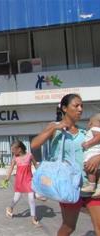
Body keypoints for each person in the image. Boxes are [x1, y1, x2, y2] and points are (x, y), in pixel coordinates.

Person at [31, 93, 100, 236]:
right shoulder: (54, 128)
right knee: (69, 227)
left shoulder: (84, 132)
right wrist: (55, 128)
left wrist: (98, 157)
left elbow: (95, 149)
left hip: (90, 186)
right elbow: (34, 144)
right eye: (76, 106)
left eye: (82, 106)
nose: (80, 109)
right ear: (64, 108)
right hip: (68, 186)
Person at [4, 140, 41, 226]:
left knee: (31, 198)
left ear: (19, 149)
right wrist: (7, 178)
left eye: (13, 149)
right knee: (16, 198)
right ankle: (10, 208)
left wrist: (41, 175)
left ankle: (33, 218)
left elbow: (36, 165)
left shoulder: (29, 155)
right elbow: (11, 168)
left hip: (29, 180)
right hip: (19, 180)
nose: (12, 151)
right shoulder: (15, 158)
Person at [81, 113, 100, 198]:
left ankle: (91, 185)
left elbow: (98, 137)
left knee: (89, 168)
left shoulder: (94, 128)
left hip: (93, 153)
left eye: (89, 121)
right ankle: (98, 188)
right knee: (97, 172)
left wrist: (88, 143)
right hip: (95, 153)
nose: (88, 123)